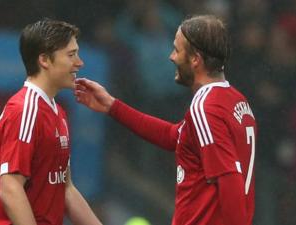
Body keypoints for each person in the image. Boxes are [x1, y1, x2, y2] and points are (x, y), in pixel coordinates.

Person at [75, 15, 257, 225]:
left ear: (195, 59)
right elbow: (174, 136)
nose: (172, 57)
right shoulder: (236, 101)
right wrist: (112, 106)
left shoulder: (206, 109)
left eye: (177, 50)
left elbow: (229, 177)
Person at [0, 18, 102, 225]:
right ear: (44, 60)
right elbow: (10, 189)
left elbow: (66, 188)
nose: (79, 62)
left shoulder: (58, 112)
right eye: (71, 55)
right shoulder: (25, 110)